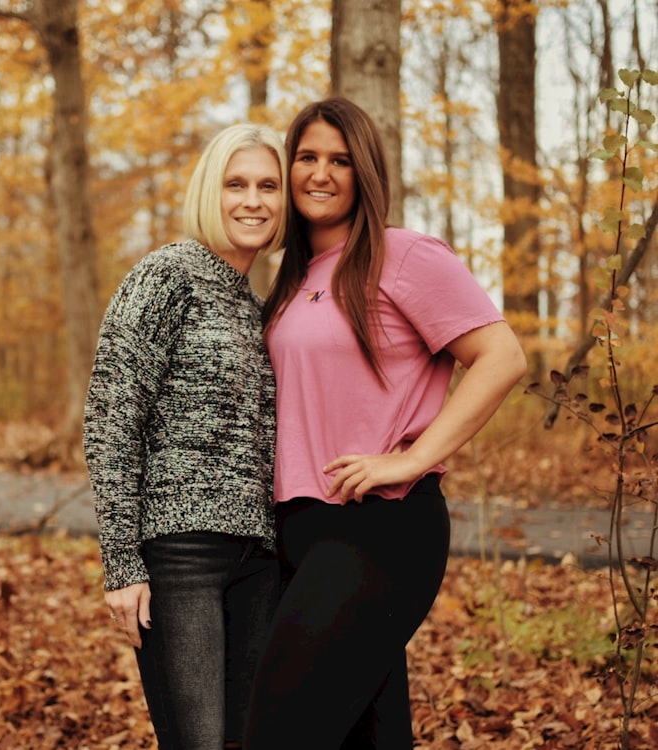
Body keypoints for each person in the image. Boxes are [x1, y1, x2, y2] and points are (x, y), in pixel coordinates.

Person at [243, 97, 527, 749]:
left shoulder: (404, 256)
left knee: (277, 732)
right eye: (306, 156)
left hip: (378, 527)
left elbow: (501, 356)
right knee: (366, 736)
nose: (320, 172)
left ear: (364, 172)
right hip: (300, 530)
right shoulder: (289, 282)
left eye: (339, 160)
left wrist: (410, 458)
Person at [82, 123, 287, 750]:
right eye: (236, 184)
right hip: (181, 560)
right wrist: (121, 564)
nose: (253, 200)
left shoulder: (260, 305)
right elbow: (111, 420)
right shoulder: (165, 276)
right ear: (210, 191)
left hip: (260, 559)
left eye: (268, 186)